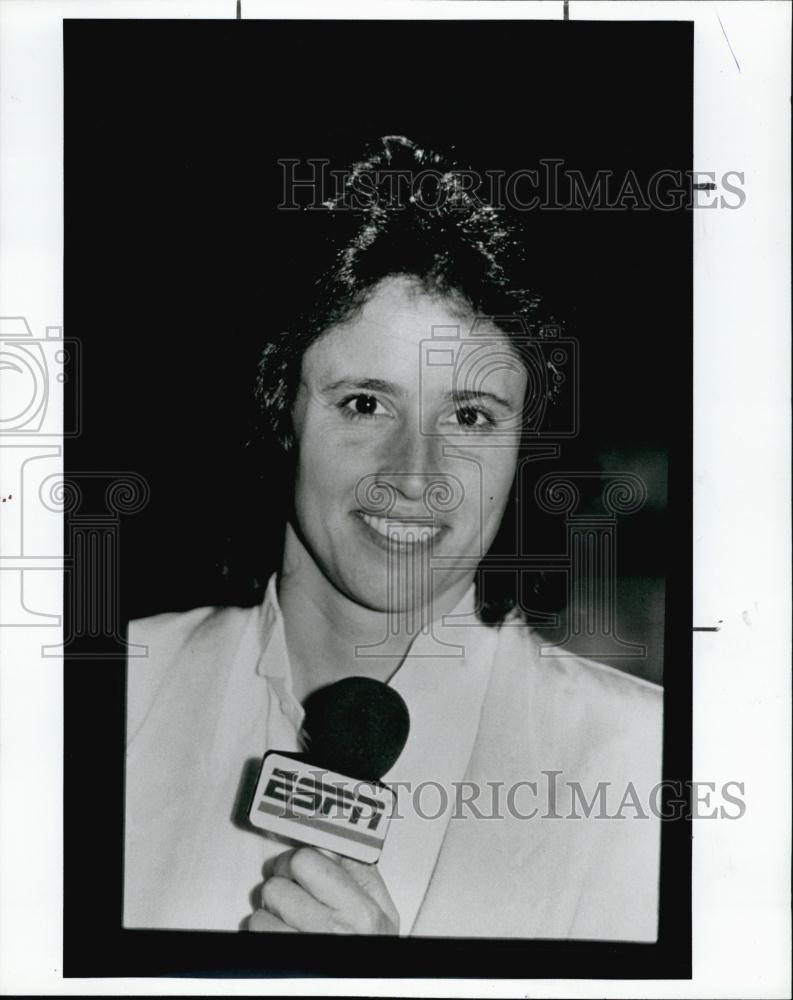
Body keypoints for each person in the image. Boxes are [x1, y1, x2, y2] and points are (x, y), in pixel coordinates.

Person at [123, 136, 662, 939]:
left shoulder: (647, 763)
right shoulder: (97, 701)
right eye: (364, 404)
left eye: (470, 416)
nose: (416, 475)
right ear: (281, 410)